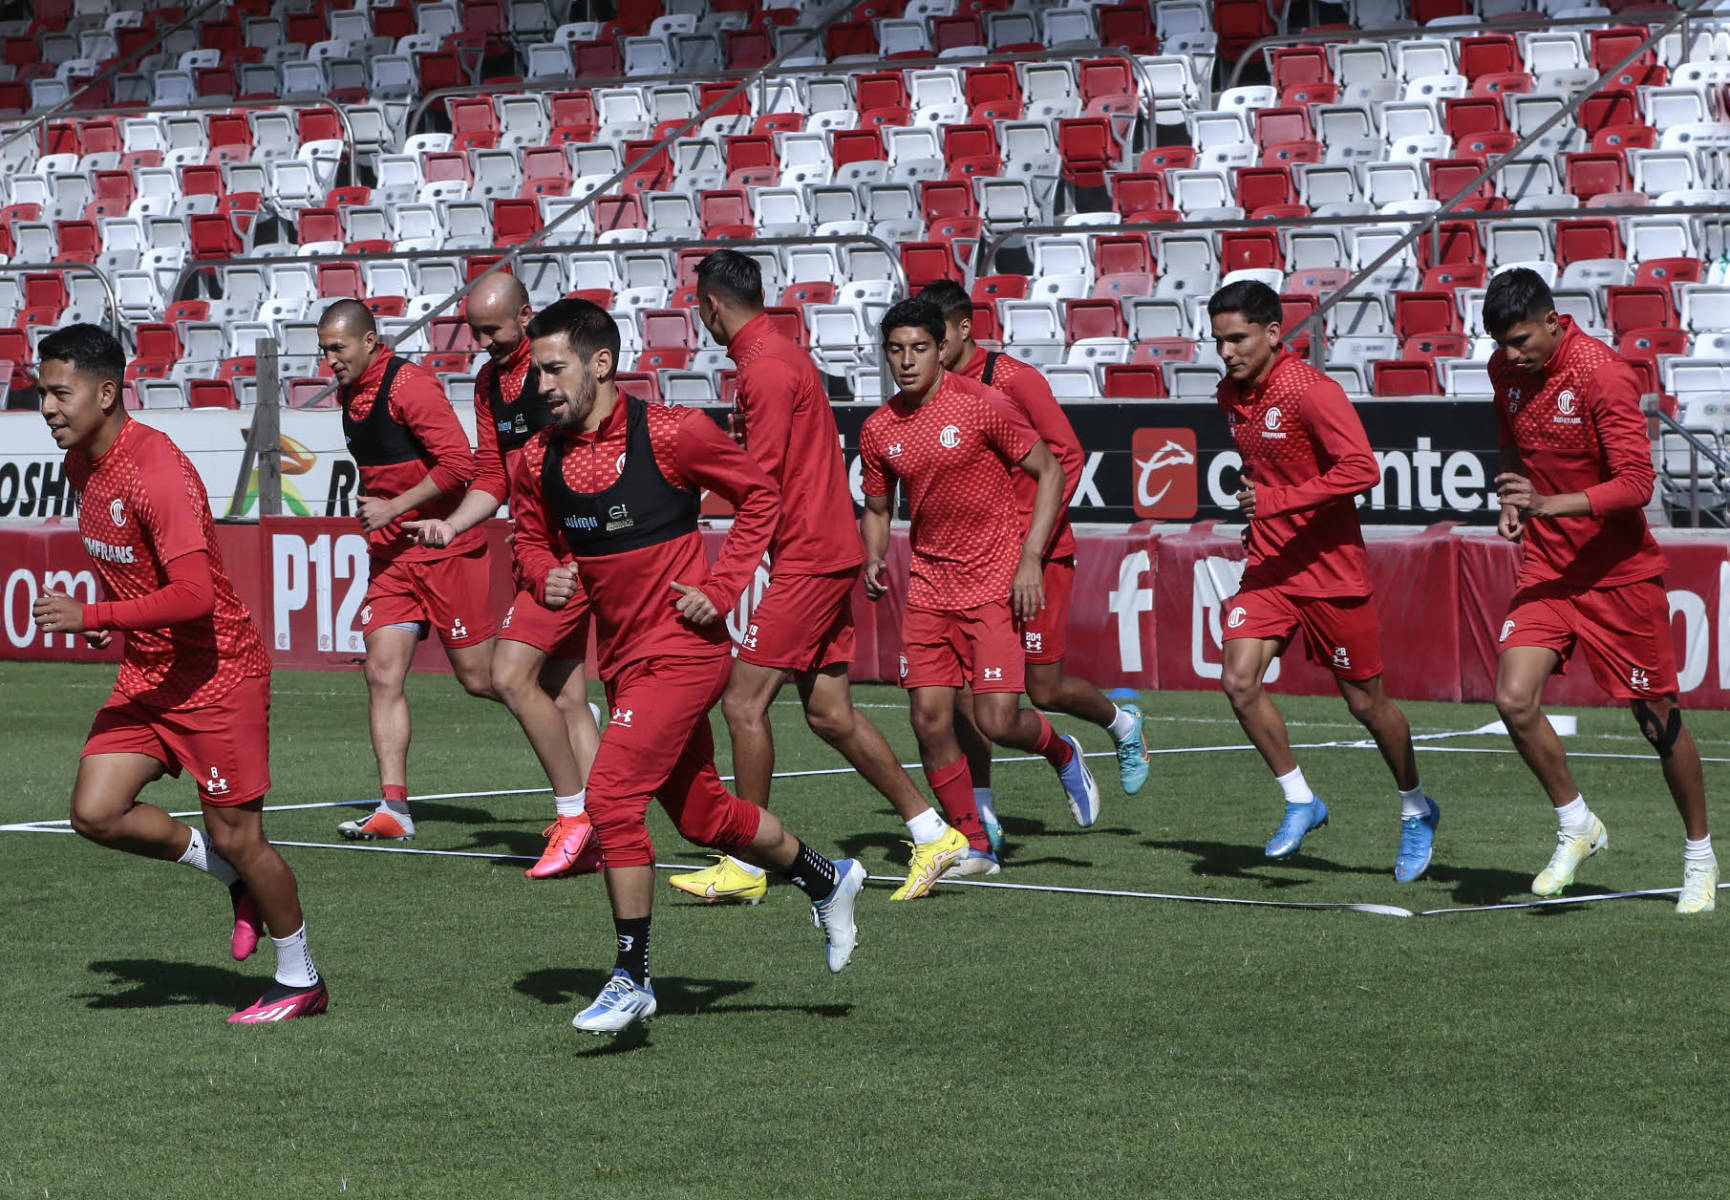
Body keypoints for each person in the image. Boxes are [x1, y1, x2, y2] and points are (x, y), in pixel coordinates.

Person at [509, 298, 865, 1034]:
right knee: (705, 816)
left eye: (553, 367)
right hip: (627, 664)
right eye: (534, 369)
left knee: (608, 800)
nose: (540, 383)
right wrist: (543, 568)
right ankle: (827, 879)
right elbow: (529, 537)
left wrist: (723, 585)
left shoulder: (671, 432)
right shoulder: (536, 458)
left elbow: (760, 494)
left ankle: (631, 977)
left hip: (686, 653)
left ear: (600, 364)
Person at [31, 323, 326, 1023]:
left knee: (242, 837)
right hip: (151, 673)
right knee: (95, 812)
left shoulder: (154, 469)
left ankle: (300, 978)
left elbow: (195, 596)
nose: (47, 406)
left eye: (58, 392)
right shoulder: (82, 462)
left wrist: (95, 612)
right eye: (42, 392)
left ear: (106, 392)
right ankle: (226, 876)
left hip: (217, 676)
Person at [668, 249, 967, 905]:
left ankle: (747, 861)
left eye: (699, 307)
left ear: (712, 306)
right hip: (821, 551)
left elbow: (760, 485)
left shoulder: (765, 369)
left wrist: (722, 585)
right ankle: (932, 831)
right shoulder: (775, 355)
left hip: (807, 557)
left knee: (743, 702)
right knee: (831, 714)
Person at [1485, 267, 1715, 913]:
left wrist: (1548, 504)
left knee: (1658, 723)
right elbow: (1510, 446)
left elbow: (1636, 484)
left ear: (1554, 320)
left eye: (1522, 340)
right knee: (1512, 697)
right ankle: (1577, 825)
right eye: (1502, 344)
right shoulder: (1504, 372)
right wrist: (1511, 500)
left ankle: (1699, 856)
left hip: (1618, 576)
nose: (1512, 355)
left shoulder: (1603, 373)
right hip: (1548, 572)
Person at [1206, 281, 1438, 880]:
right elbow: (1264, 476)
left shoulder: (1311, 391)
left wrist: (1277, 501)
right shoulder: (1229, 395)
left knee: (1367, 704)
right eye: (1218, 340)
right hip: (1270, 568)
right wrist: (1261, 516)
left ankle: (1416, 808)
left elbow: (1363, 468)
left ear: (1272, 334)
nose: (1227, 351)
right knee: (1238, 680)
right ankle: (1300, 799)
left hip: (1331, 573)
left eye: (1237, 338)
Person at [858, 298, 1096, 879]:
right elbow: (876, 503)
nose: (907, 361)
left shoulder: (985, 405)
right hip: (928, 589)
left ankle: (1062, 751)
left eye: (919, 348)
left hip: (993, 583)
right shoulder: (879, 428)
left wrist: (1030, 559)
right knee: (929, 719)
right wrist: (873, 552)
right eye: (895, 350)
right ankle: (975, 845)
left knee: (996, 721)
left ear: (942, 349)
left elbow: (1052, 471)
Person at [919, 279, 1150, 853]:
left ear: (964, 329)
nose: (926, 348)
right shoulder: (933, 390)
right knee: (972, 694)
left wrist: (1028, 542)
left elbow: (1065, 456)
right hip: (975, 566)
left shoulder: (1014, 380)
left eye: (935, 337)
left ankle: (1121, 725)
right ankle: (984, 816)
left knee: (1042, 691)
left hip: (1035, 555)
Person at [400, 274, 603, 880]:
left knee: (509, 676)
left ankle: (574, 819)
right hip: (535, 546)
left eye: (492, 329)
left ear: (525, 314)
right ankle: (607, 829)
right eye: (475, 331)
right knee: (566, 694)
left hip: (574, 547)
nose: (483, 341)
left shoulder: (559, 369)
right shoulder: (490, 383)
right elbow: (491, 472)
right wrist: (453, 524)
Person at [317, 299, 498, 842]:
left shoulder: (408, 385)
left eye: (338, 348)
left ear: (370, 341)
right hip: (393, 559)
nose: (330, 361)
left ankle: (562, 706)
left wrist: (394, 507)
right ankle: (394, 808)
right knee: (381, 672)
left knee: (482, 680)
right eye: (324, 350)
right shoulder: (352, 391)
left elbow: (461, 465)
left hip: (443, 551)